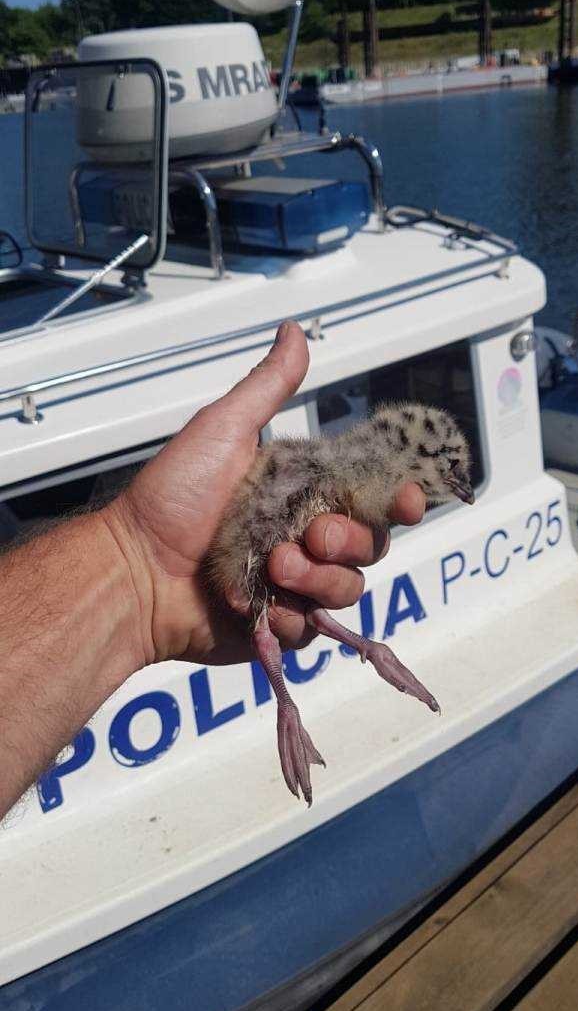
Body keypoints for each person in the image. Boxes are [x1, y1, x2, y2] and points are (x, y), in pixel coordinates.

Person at [0, 322, 425, 819]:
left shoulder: (336, 477)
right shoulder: (315, 470)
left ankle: (336, 671)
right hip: (239, 552)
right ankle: (308, 691)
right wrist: (138, 556)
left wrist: (136, 563)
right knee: (276, 607)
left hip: (234, 556)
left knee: (285, 606)